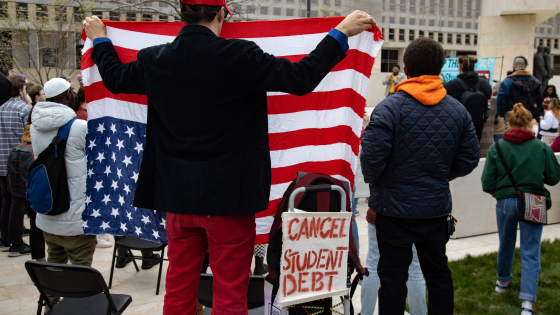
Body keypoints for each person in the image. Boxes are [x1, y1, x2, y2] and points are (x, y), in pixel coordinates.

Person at [83, 3, 375, 314]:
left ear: (183, 15)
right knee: (230, 292)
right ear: (221, 14)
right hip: (228, 202)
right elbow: (301, 78)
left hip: (177, 200)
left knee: (179, 289)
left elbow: (114, 78)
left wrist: (100, 39)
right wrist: (340, 33)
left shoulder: (155, 58)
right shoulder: (241, 56)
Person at [360, 37, 480, 315]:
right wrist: (437, 176)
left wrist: (391, 180)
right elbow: (468, 159)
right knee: (437, 276)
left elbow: (370, 163)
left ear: (406, 68)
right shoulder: (457, 110)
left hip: (394, 211)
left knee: (392, 280)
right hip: (433, 209)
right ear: (440, 68)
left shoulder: (389, 108)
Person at [482, 103, 560, 315]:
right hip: (534, 201)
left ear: (509, 123)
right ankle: (527, 304)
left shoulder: (496, 148)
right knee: (531, 251)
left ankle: (502, 282)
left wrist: (502, 192)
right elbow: (554, 177)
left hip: (506, 201)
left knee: (505, 244)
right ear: (530, 124)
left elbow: (487, 182)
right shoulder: (542, 148)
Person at [30, 78, 94, 308]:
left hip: (49, 214)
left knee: (55, 266)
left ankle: (52, 307)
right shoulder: (79, 127)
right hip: (76, 218)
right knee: (81, 273)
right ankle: (80, 310)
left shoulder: (35, 125)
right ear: (68, 95)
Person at [360, 208, 427, 315]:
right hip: (413, 214)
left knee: (373, 264)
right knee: (414, 269)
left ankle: (365, 313)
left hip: (385, 213)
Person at [0, 75, 32, 256]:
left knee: (6, 201)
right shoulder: (22, 109)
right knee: (17, 201)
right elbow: (29, 136)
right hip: (17, 164)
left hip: (2, 162)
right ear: (20, 90)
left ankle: (5, 239)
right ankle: (16, 243)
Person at [444, 56, 492, 141]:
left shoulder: (450, 86)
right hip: (477, 127)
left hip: (456, 127)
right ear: (474, 68)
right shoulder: (485, 85)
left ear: (460, 69)